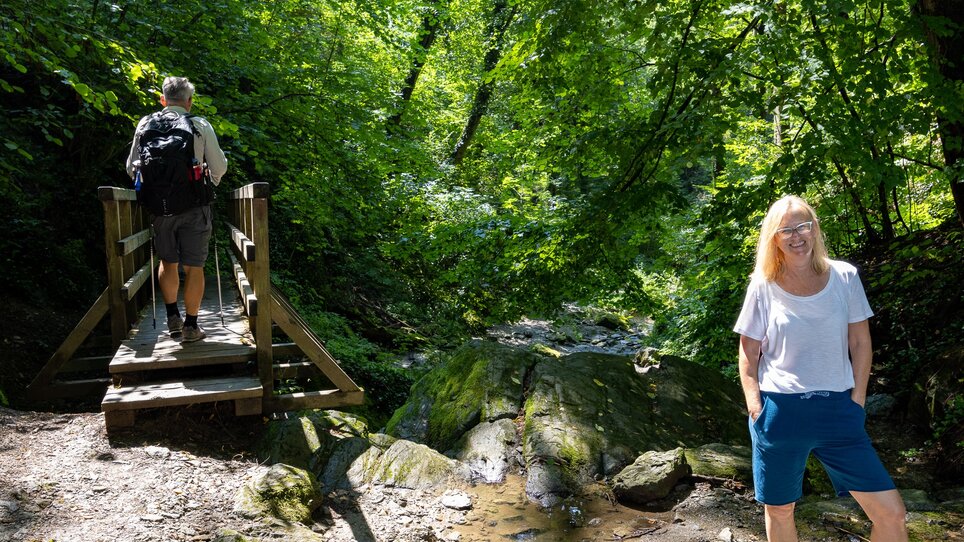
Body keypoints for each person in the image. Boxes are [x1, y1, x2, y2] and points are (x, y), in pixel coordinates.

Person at [734, 195, 907, 541]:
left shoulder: (845, 277)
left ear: (815, 228)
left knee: (892, 515)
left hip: (838, 410)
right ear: (774, 238)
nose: (796, 235)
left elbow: (860, 343)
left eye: (803, 226)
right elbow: (748, 353)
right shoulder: (763, 286)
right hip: (780, 412)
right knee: (780, 510)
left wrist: (858, 400)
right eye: (786, 230)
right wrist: (756, 409)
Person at [126, 76, 228, 342]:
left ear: (163, 100)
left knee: (167, 262)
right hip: (195, 206)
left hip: (160, 209)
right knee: (194, 266)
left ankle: (172, 318)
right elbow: (219, 167)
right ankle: (191, 327)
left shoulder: (145, 124)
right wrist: (210, 180)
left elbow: (131, 168)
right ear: (189, 101)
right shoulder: (199, 125)